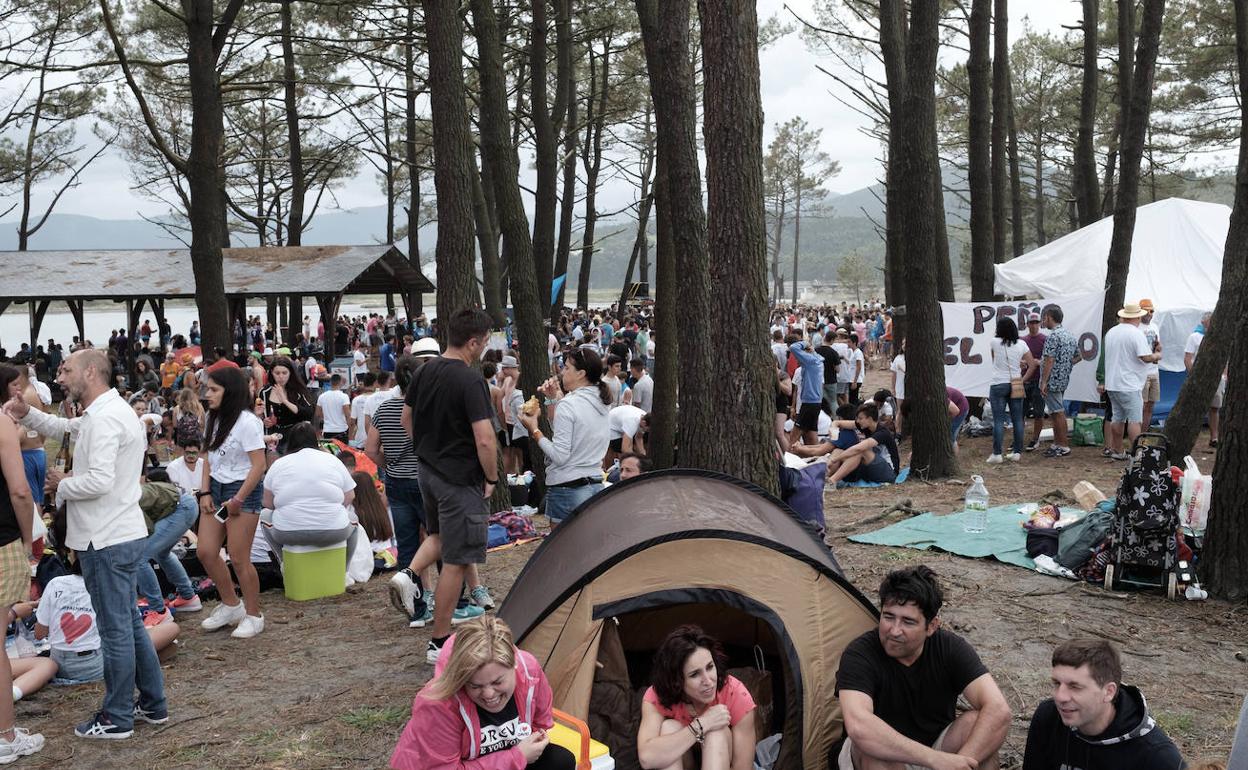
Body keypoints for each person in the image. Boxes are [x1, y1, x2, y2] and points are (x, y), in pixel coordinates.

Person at [3, 349, 167, 739]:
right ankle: (153, 703)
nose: (59, 377)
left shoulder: (107, 417)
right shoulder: (102, 412)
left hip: (106, 536)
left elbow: (100, 481)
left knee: (114, 630)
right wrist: (28, 414)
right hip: (115, 533)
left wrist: (63, 485)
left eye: (67, 370)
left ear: (91, 372)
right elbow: (69, 430)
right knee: (128, 622)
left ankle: (117, 717)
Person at [836, 565, 1011, 770]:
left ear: (932, 626)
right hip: (886, 758)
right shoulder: (860, 654)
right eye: (888, 616)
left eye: (908, 622)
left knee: (978, 728)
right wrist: (935, 760)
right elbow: (859, 726)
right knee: (874, 748)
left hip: (938, 747)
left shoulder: (949, 648)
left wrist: (961, 763)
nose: (894, 630)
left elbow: (999, 710)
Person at [403, 309, 499, 663]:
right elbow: (485, 438)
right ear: (473, 342)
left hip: (428, 471)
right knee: (457, 560)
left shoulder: (423, 372)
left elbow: (405, 417)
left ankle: (409, 573)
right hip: (460, 477)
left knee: (441, 538)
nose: (485, 349)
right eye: (485, 342)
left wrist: (426, 448)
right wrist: (490, 477)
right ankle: (440, 639)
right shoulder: (470, 380)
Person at [391, 616, 575, 770]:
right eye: (474, 686)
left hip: (499, 759)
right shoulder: (437, 703)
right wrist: (515, 758)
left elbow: (541, 721)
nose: (488, 694)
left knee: (559, 760)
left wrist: (531, 743)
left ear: (514, 666)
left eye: (497, 682)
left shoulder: (530, 671)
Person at [1022, 640, 1184, 770]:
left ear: (1108, 692)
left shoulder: (1156, 757)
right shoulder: (1049, 717)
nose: (1060, 697)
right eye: (1057, 683)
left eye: (1075, 687)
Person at [198, 365, 267, 639]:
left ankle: (254, 614)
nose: (207, 394)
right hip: (215, 488)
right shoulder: (211, 418)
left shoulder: (249, 422)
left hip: (242, 490)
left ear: (231, 391)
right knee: (205, 551)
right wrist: (204, 492)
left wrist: (238, 499)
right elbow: (206, 457)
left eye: (214, 389)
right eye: (207, 388)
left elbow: (259, 465)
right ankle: (230, 604)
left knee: (239, 557)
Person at [637, 624, 758, 770]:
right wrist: (701, 724)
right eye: (695, 674)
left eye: (710, 667)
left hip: (722, 762)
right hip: (684, 761)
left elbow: (742, 768)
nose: (708, 681)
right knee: (669, 727)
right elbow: (647, 759)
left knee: (716, 731)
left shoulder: (735, 693)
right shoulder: (658, 695)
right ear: (677, 681)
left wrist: (709, 726)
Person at [518, 347, 611, 524]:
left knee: (564, 551)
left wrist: (534, 430)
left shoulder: (570, 404)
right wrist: (552, 399)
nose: (562, 372)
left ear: (581, 373)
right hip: (594, 485)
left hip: (568, 488)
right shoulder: (601, 401)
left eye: (567, 368)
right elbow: (564, 430)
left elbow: (560, 456)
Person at [259, 422, 359, 566]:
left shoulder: (279, 464)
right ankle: (345, 570)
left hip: (288, 533)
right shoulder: (332, 460)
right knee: (353, 518)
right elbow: (350, 496)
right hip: (335, 530)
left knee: (265, 516)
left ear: (290, 441)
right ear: (315, 440)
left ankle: (283, 562)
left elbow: (267, 504)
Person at [135, 471, 202, 624]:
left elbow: (144, 526)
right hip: (186, 505)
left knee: (139, 558)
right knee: (161, 554)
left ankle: (158, 610)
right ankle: (188, 597)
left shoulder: (130, 495)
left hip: (181, 508)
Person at [1102, 303, 1161, 461]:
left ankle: (1118, 449)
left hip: (1113, 382)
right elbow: (1145, 357)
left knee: (1117, 418)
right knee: (1135, 420)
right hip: (1129, 383)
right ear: (1137, 317)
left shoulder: (1111, 332)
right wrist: (1156, 356)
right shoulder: (1135, 334)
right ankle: (1138, 453)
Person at [987, 317, 1037, 464]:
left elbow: (995, 361)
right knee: (1017, 420)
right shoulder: (1022, 344)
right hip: (1016, 383)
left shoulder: (994, 342)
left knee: (998, 420)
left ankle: (997, 454)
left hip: (998, 384)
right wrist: (1022, 380)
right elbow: (1032, 365)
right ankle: (1016, 453)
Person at [825, 402, 900, 486]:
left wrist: (834, 460)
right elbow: (838, 422)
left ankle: (832, 481)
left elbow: (858, 449)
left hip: (888, 472)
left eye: (860, 418)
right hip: (871, 466)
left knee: (862, 451)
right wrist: (833, 429)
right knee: (838, 450)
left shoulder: (882, 433)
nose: (857, 421)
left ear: (870, 419)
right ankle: (823, 479)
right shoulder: (865, 426)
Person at [1038, 306, 1079, 459]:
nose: (1043, 321)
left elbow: (1049, 359)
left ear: (1049, 316)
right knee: (1055, 412)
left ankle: (1063, 445)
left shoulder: (1053, 336)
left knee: (1057, 412)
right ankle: (1057, 443)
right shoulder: (1069, 335)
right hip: (1062, 379)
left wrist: (1044, 381)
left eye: (1044, 317)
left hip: (1052, 381)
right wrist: (1065, 366)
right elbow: (1078, 356)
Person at [1183, 312, 1225, 448]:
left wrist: (1224, 374)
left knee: (1215, 407)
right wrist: (1192, 376)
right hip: (1199, 376)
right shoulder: (1194, 337)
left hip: (1217, 377)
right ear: (1203, 322)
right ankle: (1188, 437)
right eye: (1209, 321)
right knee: (1195, 407)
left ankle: (1214, 437)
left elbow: (1225, 357)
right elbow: (1188, 358)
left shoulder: (1219, 336)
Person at [260, 356, 314, 453]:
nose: (281, 377)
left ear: (290, 373)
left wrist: (285, 401)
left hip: (294, 438)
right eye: (277, 373)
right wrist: (263, 420)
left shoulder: (298, 391)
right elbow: (260, 413)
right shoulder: (264, 392)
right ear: (272, 373)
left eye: (284, 373)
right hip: (272, 439)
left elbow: (308, 413)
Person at [788, 336, 825, 446]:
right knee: (811, 437)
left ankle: (789, 460)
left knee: (793, 438)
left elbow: (793, 347)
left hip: (808, 404)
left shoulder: (810, 362)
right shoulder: (818, 360)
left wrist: (806, 343)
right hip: (816, 403)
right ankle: (816, 458)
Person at [1021, 313, 1048, 451]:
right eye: (1031, 323)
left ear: (1040, 323)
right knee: (1020, 412)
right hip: (1024, 380)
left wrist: (1039, 362)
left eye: (1036, 322)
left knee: (1038, 412)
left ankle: (1035, 439)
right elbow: (1016, 358)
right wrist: (1023, 362)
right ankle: (1018, 438)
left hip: (1038, 380)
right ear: (1027, 325)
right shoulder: (1021, 340)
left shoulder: (1045, 339)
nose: (1034, 325)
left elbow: (1050, 359)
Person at [1137, 300, 1163, 429]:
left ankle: (1144, 432)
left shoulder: (1154, 326)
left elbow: (1158, 345)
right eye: (1146, 311)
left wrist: (1159, 347)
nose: (1149, 314)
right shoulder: (1136, 327)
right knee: (1141, 405)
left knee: (1151, 404)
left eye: (1151, 311)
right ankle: (1136, 433)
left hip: (1154, 370)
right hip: (1141, 371)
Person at [316, 374, 351, 441]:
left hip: (327, 430)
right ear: (340, 382)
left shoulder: (322, 396)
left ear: (330, 382)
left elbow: (317, 415)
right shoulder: (344, 396)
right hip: (342, 430)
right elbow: (347, 415)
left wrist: (317, 431)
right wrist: (350, 430)